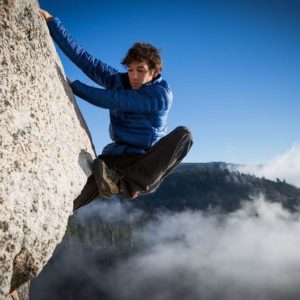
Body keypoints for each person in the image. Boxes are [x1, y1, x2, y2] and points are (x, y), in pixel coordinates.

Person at [39, 9, 193, 210]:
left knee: (184, 135)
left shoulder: (160, 95)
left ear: (154, 72)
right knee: (64, 205)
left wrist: (72, 86)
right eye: (130, 70)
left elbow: (114, 100)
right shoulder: (119, 81)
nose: (134, 75)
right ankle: (116, 182)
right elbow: (86, 61)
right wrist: (52, 23)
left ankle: (130, 184)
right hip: (114, 161)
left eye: (140, 70)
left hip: (141, 163)